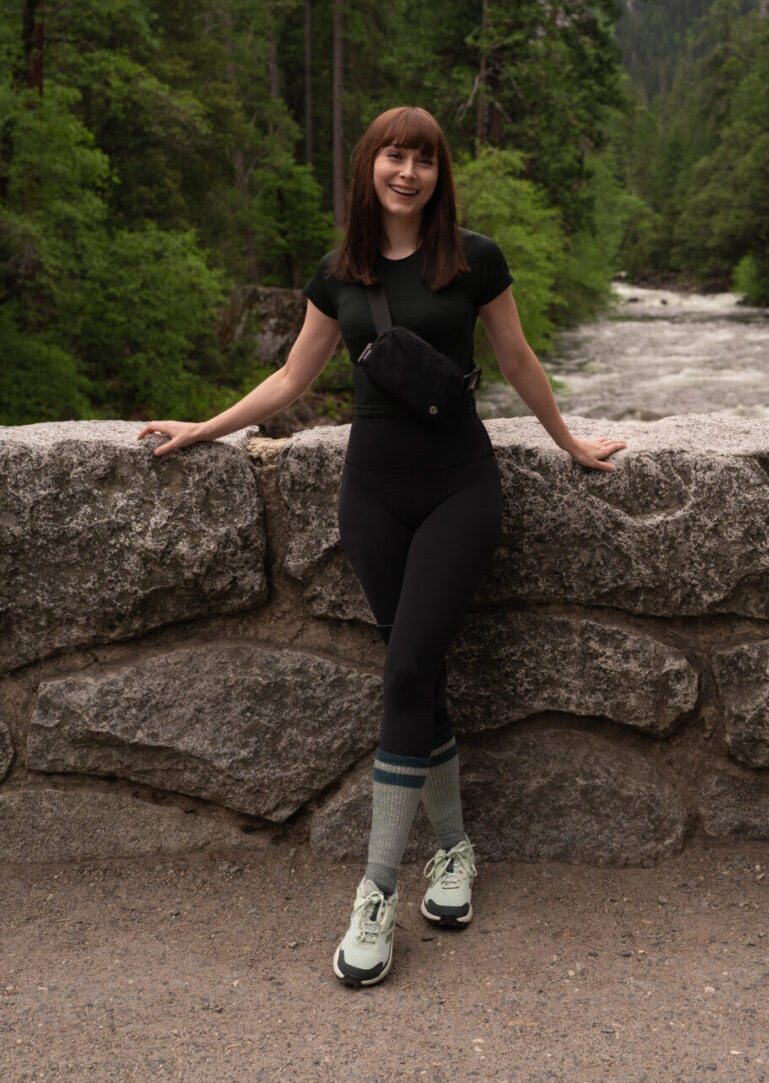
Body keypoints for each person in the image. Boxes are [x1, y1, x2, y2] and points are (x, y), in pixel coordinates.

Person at [138, 105, 626, 988]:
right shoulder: (340, 273)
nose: (408, 173)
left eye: (425, 161)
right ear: (370, 167)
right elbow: (295, 376)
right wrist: (204, 428)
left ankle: (374, 895)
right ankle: (456, 852)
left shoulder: (474, 260)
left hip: (458, 490)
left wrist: (570, 441)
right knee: (417, 671)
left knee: (406, 673)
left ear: (441, 174)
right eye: (394, 157)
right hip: (370, 496)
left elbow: (516, 361)